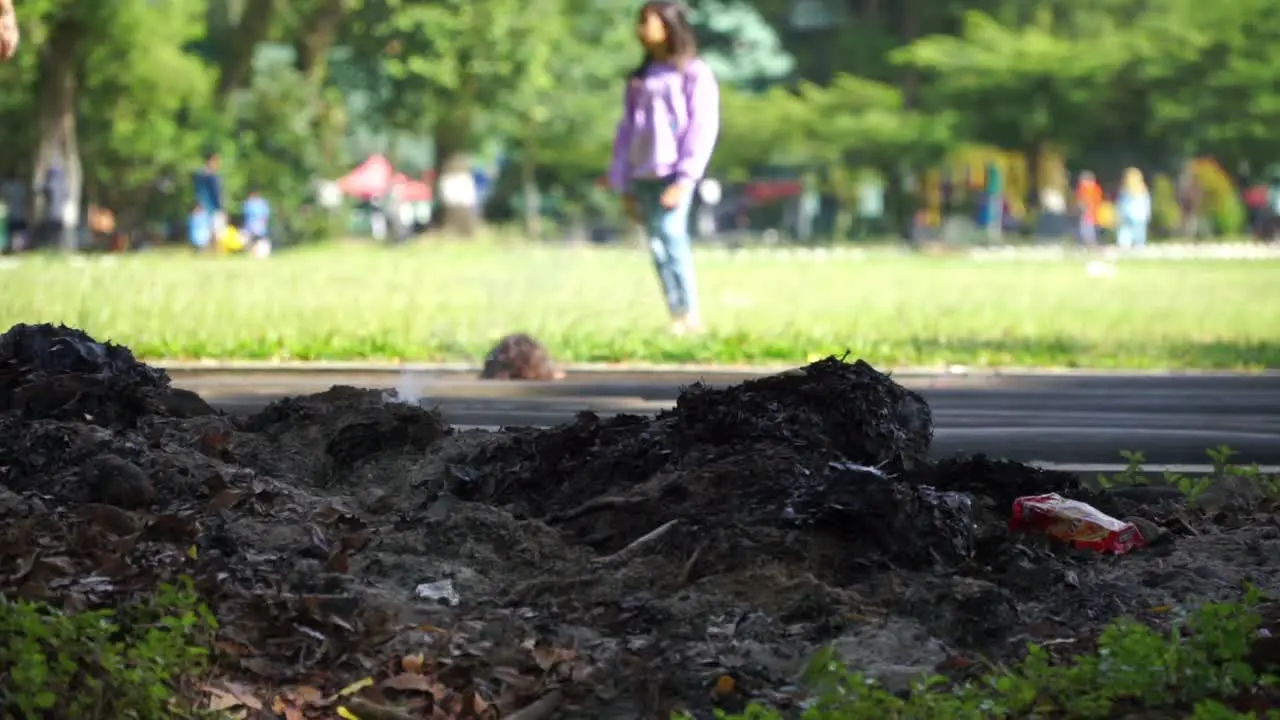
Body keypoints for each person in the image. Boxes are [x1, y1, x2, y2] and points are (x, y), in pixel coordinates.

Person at [609, 0, 720, 336]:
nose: (642, 29)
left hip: (674, 174)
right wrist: (623, 182)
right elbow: (626, 131)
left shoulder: (693, 73)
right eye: (640, 22)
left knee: (672, 237)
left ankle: (691, 315)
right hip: (642, 174)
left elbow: (702, 126)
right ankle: (675, 315)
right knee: (656, 245)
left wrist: (686, 178)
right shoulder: (639, 79)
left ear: (670, 25)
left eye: (649, 21)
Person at [192, 152, 226, 245]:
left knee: (217, 231)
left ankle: (214, 251)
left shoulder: (215, 176)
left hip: (215, 207)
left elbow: (219, 194)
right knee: (206, 231)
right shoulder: (203, 176)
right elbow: (200, 192)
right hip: (206, 207)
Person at [1116, 167, 1151, 249]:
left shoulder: (1125, 189)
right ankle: (1137, 246)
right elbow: (1146, 203)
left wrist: (1119, 212)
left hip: (1130, 214)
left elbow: (1121, 203)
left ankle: (1126, 245)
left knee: (1126, 232)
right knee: (1138, 233)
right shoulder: (1142, 189)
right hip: (1139, 215)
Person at [1075, 170, 1103, 246]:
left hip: (1089, 213)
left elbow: (1085, 201)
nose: (1080, 183)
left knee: (1087, 229)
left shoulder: (1089, 189)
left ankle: (1090, 243)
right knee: (1087, 228)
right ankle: (1090, 242)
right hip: (1090, 213)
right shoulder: (1095, 188)